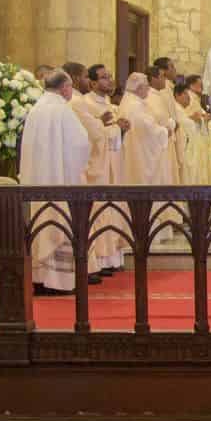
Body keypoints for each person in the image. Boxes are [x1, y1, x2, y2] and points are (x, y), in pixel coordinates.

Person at [19, 70, 92, 296]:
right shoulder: (62, 109)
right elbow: (80, 144)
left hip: (36, 180)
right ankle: (58, 282)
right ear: (64, 88)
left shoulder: (36, 109)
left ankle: (39, 278)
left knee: (41, 223)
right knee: (58, 221)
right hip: (59, 179)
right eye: (70, 87)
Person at [76, 64, 125, 273]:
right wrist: (115, 128)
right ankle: (99, 259)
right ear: (93, 83)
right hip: (97, 165)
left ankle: (112, 257)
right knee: (99, 210)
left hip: (112, 163)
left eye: (110, 76)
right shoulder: (85, 104)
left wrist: (121, 130)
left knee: (113, 209)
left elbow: (111, 135)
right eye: (104, 78)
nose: (110, 81)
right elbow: (91, 136)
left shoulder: (109, 103)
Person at [117, 72, 172, 184]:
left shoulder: (129, 101)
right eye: (146, 86)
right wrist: (165, 131)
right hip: (140, 153)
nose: (148, 89)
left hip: (136, 149)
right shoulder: (134, 105)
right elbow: (148, 129)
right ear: (139, 87)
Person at [175, 78, 211, 184]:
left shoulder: (193, 101)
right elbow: (185, 122)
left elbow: (195, 117)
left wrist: (203, 119)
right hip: (188, 146)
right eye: (200, 85)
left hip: (195, 143)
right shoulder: (179, 106)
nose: (202, 88)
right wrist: (200, 119)